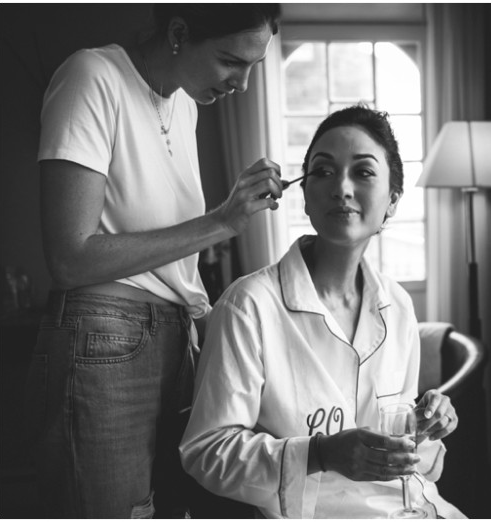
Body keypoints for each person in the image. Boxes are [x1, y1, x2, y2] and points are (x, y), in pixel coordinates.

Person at [24, 4, 283, 518]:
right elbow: (69, 258)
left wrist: (222, 331)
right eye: (233, 61)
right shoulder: (92, 77)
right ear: (179, 33)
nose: (243, 84)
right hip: (105, 344)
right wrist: (222, 221)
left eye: (254, 67)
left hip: (175, 342)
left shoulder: (183, 105)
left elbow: (173, 267)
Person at [179, 105, 467, 518]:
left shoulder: (398, 306)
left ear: (392, 202)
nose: (341, 188)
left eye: (363, 172)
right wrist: (320, 454)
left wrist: (425, 421)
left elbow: (398, 440)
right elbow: (207, 452)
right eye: (324, 171)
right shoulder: (249, 306)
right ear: (305, 196)